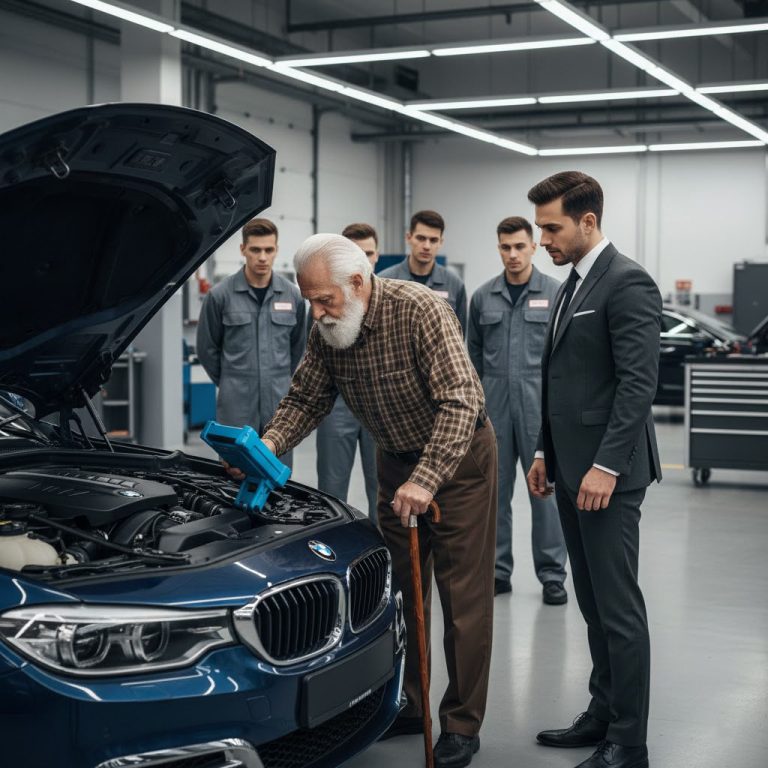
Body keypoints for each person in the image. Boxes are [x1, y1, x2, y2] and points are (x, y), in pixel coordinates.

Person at [258, 234, 496, 768]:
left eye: (325, 300)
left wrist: (427, 479)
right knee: (402, 592)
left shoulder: (421, 310)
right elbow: (307, 397)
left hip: (457, 463)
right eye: (310, 301)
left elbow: (462, 401)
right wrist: (269, 444)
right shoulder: (326, 329)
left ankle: (461, 723)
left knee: (463, 600)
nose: (318, 313)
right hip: (395, 463)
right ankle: (410, 701)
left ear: (358, 282)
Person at [526, 172, 661, 768]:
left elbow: (637, 384)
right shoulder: (570, 285)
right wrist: (542, 452)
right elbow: (560, 380)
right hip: (570, 472)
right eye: (540, 228)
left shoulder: (627, 281)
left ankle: (628, 742)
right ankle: (602, 713)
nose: (543, 241)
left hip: (608, 478)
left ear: (588, 221)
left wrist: (606, 465)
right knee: (591, 602)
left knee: (618, 610)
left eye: (552, 228)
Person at [468, 216, 568, 604]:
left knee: (545, 493)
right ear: (499, 248)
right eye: (506, 247)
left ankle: (552, 574)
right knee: (494, 494)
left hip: (539, 411)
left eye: (520, 246)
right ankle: (497, 570)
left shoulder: (556, 293)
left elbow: (564, 357)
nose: (513, 254)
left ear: (533, 247)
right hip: (493, 411)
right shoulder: (483, 297)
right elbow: (473, 358)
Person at [196, 218, 306, 467]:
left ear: (276, 250)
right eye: (255, 249)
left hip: (279, 404)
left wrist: (280, 379)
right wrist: (230, 381)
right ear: (243, 249)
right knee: (233, 474)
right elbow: (206, 349)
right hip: (236, 406)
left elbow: (298, 346)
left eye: (269, 249)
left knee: (277, 475)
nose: (262, 257)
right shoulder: (220, 295)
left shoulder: (293, 296)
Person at [314, 223, 379, 520]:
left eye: (369, 253)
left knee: (384, 491)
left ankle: (383, 547)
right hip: (337, 405)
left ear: (377, 255)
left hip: (380, 407)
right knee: (331, 490)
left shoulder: (391, 304)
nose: (363, 261)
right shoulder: (323, 302)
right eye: (355, 254)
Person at [378, 209, 467, 335]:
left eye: (433, 240)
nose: (426, 246)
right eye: (421, 238)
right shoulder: (385, 281)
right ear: (409, 238)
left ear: (440, 242)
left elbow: (459, 335)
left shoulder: (454, 284)